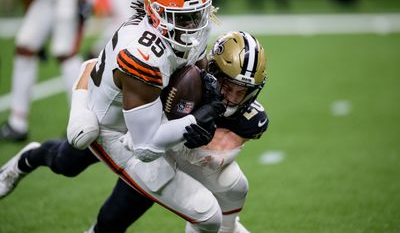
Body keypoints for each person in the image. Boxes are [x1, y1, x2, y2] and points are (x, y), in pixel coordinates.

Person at [2, 0, 227, 232]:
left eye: (196, 12)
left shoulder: (184, 30)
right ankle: (28, 159)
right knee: (86, 157)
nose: (194, 23)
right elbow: (144, 146)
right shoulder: (142, 55)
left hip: (139, 107)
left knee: (124, 175)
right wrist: (194, 120)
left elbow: (192, 71)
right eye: (183, 16)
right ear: (155, 12)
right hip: (107, 123)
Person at [0, 31, 268, 233]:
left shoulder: (249, 118)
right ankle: (28, 158)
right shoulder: (184, 73)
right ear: (211, 71)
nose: (232, 98)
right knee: (65, 162)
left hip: (155, 155)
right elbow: (96, 66)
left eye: (241, 91)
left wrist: (198, 137)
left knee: (113, 221)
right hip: (120, 129)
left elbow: (213, 156)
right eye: (227, 86)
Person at [0, 0, 90, 142]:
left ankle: (82, 123)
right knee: (25, 46)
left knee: (65, 52)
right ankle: (17, 123)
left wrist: (82, 1)